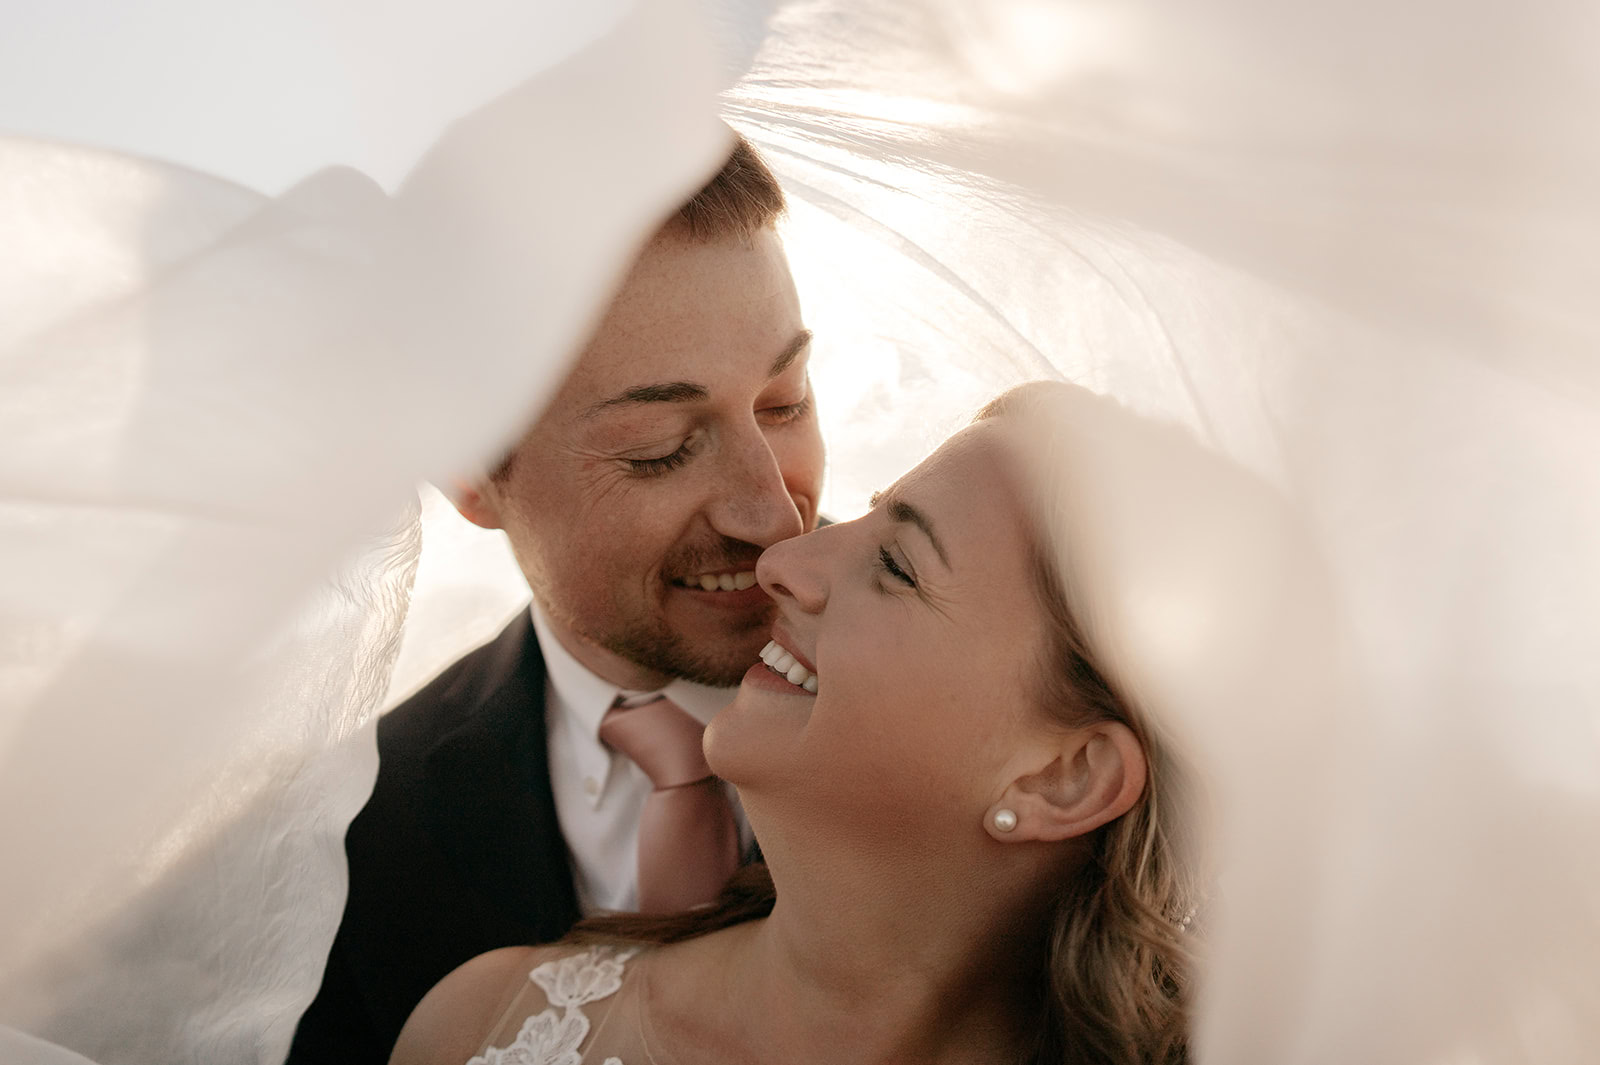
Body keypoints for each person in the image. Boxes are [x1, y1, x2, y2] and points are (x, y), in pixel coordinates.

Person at [386, 381, 1210, 1065]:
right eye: (865, 515)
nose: (783, 559)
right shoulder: (478, 1029)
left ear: (1066, 776)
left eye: (896, 566)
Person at [287, 134, 827, 1065]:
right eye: (660, 445)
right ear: (472, 476)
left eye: (784, 402)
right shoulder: (343, 844)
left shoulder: (992, 692)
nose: (773, 512)